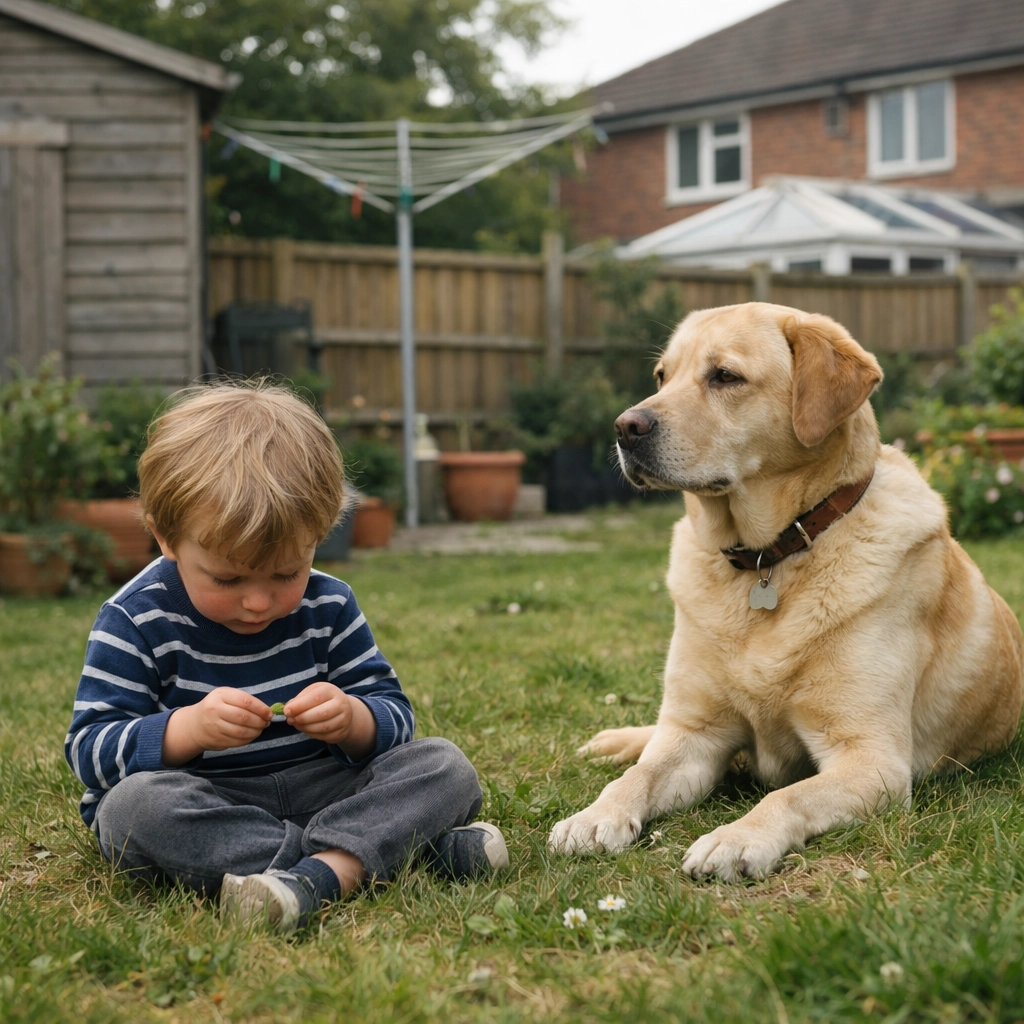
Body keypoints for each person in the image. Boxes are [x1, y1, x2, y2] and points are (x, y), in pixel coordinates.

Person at [65, 382, 507, 934]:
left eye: (285, 574)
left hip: (325, 788)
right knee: (135, 811)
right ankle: (381, 855)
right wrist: (187, 728)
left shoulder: (330, 603)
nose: (258, 601)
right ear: (166, 538)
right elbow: (90, 750)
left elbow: (396, 717)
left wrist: (352, 719)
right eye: (227, 578)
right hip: (213, 800)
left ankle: (311, 877)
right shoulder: (135, 618)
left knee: (444, 766)